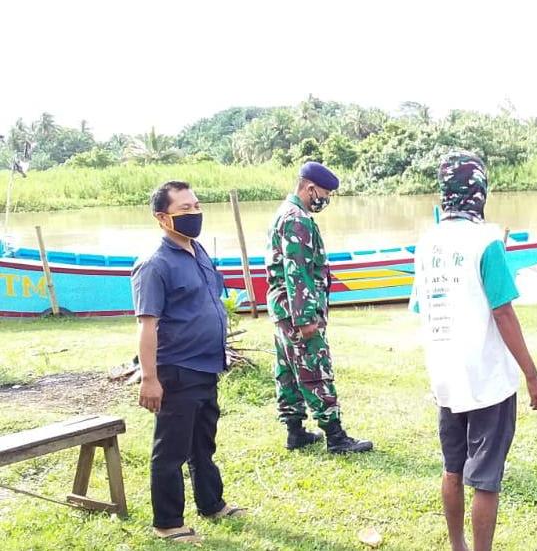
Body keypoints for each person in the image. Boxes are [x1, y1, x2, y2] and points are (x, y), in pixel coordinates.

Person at [410, 150, 537, 551]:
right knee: (485, 480)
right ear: (480, 192)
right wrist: (532, 375)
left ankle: (457, 546)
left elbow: (423, 306)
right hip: (487, 379)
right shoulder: (487, 241)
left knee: (453, 469)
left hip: (446, 377)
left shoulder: (426, 244)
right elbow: (502, 312)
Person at [133, 180, 245, 544]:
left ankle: (211, 503)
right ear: (162, 218)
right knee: (171, 450)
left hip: (206, 366)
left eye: (196, 205)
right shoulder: (154, 264)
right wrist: (150, 378)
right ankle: (167, 523)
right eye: (185, 209)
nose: (195, 213)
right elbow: (147, 325)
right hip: (177, 370)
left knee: (202, 443)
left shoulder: (198, 251)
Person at [265, 162, 372, 454]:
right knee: (314, 369)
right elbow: (296, 270)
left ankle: (295, 432)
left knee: (287, 371)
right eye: (325, 193)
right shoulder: (297, 219)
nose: (326, 200)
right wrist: (305, 317)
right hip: (297, 311)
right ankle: (335, 437)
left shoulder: (283, 213)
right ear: (309, 188)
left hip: (282, 308)